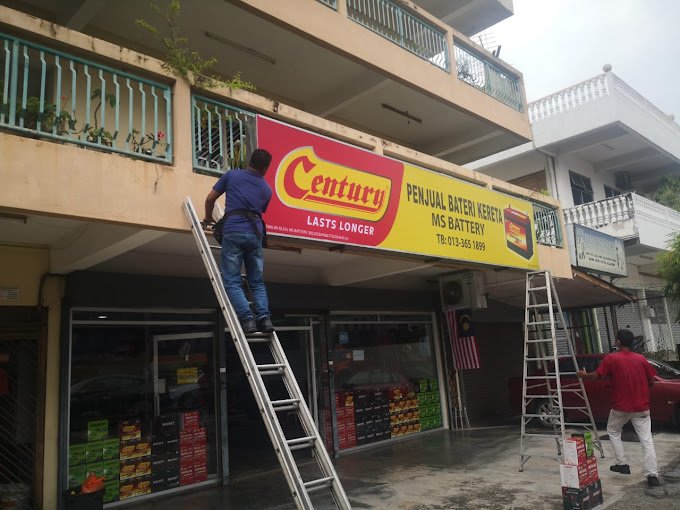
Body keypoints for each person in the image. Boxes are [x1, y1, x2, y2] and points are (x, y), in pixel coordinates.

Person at [202, 148, 274, 335]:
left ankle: (248, 320)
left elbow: (210, 199)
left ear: (249, 161)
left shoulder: (232, 175)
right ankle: (264, 320)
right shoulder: (266, 189)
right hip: (255, 235)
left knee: (232, 281)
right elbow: (258, 209)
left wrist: (208, 217)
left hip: (233, 232)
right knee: (256, 282)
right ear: (265, 168)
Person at [577, 329, 659, 487]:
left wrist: (583, 375)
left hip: (620, 407)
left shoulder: (612, 358)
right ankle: (652, 475)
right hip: (641, 407)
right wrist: (642, 392)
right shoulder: (641, 359)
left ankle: (621, 463)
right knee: (646, 440)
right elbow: (652, 380)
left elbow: (595, 376)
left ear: (618, 342)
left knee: (613, 431)